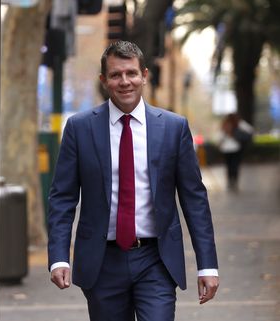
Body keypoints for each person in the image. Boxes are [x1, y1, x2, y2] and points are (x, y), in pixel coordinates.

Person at [47, 41, 219, 321]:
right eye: (115, 75)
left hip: (156, 260)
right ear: (104, 80)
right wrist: (58, 256)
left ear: (144, 75)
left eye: (131, 73)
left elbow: (194, 199)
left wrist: (207, 266)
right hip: (102, 262)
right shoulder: (80, 128)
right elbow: (62, 198)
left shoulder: (174, 128)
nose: (124, 81)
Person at [218, 112, 253, 191]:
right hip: (233, 149)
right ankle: (233, 182)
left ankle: (231, 182)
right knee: (234, 166)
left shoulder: (230, 124)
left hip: (229, 149)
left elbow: (220, 138)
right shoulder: (236, 123)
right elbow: (250, 129)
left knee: (230, 166)